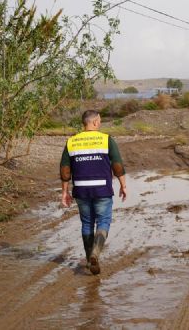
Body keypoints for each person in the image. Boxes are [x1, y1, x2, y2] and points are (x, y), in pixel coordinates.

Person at [60, 110, 127, 275]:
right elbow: (117, 164)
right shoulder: (106, 139)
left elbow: (65, 170)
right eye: (100, 121)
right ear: (95, 122)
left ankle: (89, 257)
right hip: (102, 189)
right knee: (103, 221)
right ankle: (96, 253)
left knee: (87, 223)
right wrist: (123, 185)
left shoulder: (71, 142)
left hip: (81, 190)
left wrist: (64, 193)